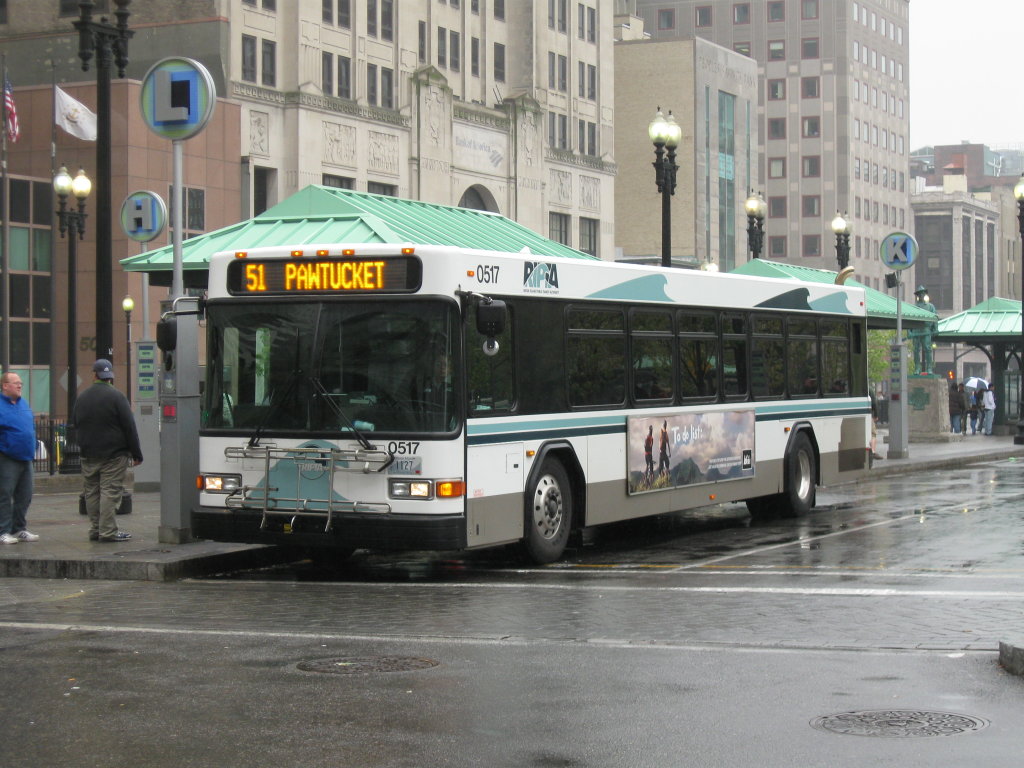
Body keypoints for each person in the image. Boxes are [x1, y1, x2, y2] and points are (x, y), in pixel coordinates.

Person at [71, 360, 143, 542]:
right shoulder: (117, 397)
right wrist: (136, 453)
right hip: (114, 454)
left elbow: (76, 423)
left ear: (94, 375)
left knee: (92, 492)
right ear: (110, 376)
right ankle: (108, 531)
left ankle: (96, 529)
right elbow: (129, 427)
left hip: (89, 454)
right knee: (110, 491)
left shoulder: (82, 398)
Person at [0, 372, 39, 544]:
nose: (19, 385)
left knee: (25, 494)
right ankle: (3, 530)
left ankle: (19, 528)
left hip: (26, 457)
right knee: (5, 494)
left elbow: (30, 426)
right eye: (15, 383)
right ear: (5, 386)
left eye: (20, 383)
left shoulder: (24, 403)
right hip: (7, 457)